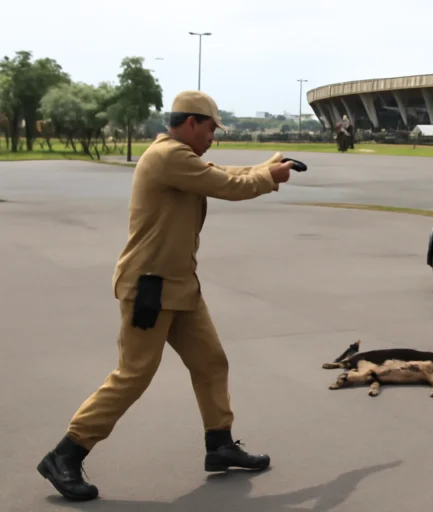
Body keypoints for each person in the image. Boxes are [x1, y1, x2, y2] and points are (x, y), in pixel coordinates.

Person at [36, 90, 295, 502]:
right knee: (133, 374)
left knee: (211, 362)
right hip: (151, 289)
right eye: (210, 129)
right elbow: (226, 184)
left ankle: (220, 444)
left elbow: (217, 171)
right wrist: (269, 178)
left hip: (180, 287)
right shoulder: (168, 157)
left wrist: (265, 166)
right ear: (190, 123)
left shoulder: (180, 157)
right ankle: (65, 454)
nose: (213, 137)